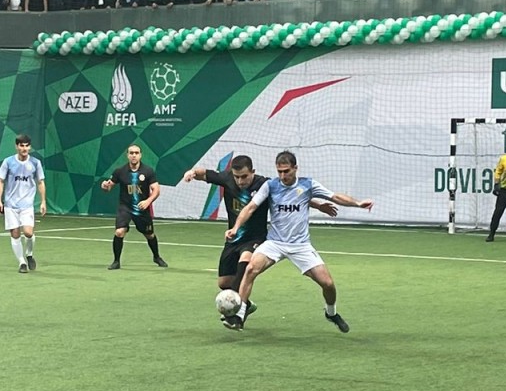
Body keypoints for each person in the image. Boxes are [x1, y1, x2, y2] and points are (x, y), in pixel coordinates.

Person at [222, 150, 373, 333]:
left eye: (286, 171)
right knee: (250, 269)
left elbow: (334, 196)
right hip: (275, 243)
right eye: (279, 171)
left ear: (295, 168)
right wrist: (236, 227)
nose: (282, 176)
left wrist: (358, 204)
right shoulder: (270, 185)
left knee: (328, 284)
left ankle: (331, 313)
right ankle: (239, 316)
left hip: (300, 246)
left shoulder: (308, 184)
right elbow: (250, 207)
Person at [183, 154, 339, 320]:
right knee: (224, 283)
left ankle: (237, 311)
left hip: (256, 238)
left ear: (253, 172)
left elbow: (292, 196)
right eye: (237, 177)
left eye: (244, 176)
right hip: (234, 238)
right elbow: (204, 174)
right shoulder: (227, 178)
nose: (240, 181)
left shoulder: (264, 184)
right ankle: (247, 305)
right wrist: (192, 173)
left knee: (246, 262)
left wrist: (318, 205)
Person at [100, 143, 167, 269]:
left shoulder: (148, 171)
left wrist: (148, 201)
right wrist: (104, 186)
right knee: (119, 232)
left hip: (141, 209)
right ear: (127, 155)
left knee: (150, 235)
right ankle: (116, 261)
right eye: (131, 153)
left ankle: (156, 257)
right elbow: (108, 187)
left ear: (140, 155)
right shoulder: (119, 171)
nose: (134, 155)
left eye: (136, 153)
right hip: (125, 208)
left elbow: (156, 190)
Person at [0, 134, 47, 273]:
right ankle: (22, 262)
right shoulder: (8, 162)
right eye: (21, 146)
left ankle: (29, 254)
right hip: (10, 205)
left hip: (27, 205)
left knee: (28, 233)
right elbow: (0, 181)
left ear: (30, 147)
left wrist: (43, 201)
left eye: (26, 146)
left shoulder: (35, 163)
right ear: (16, 146)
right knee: (15, 233)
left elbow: (40, 182)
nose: (24, 149)